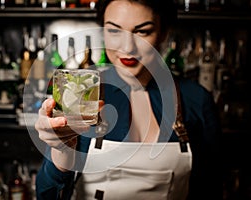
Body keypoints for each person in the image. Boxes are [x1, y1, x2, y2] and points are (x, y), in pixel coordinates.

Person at [34, 0, 221, 199]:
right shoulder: (82, 92)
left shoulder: (196, 99)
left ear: (164, 33)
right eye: (114, 31)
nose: (127, 47)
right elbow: (47, 194)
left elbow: (210, 187)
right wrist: (61, 154)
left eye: (142, 32)